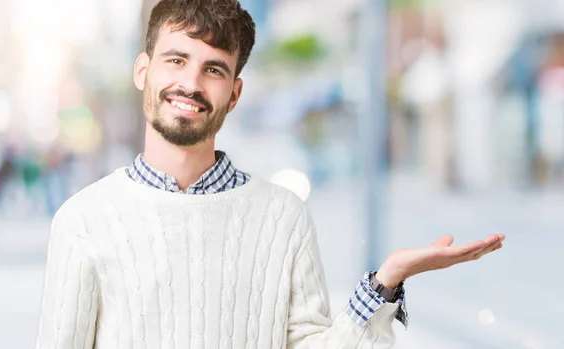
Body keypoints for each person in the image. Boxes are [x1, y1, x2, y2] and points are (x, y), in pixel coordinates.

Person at [34, 0, 506, 348]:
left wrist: (385, 281)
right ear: (143, 70)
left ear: (234, 93)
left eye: (213, 69)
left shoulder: (283, 217)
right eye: (176, 60)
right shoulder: (83, 220)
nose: (191, 84)